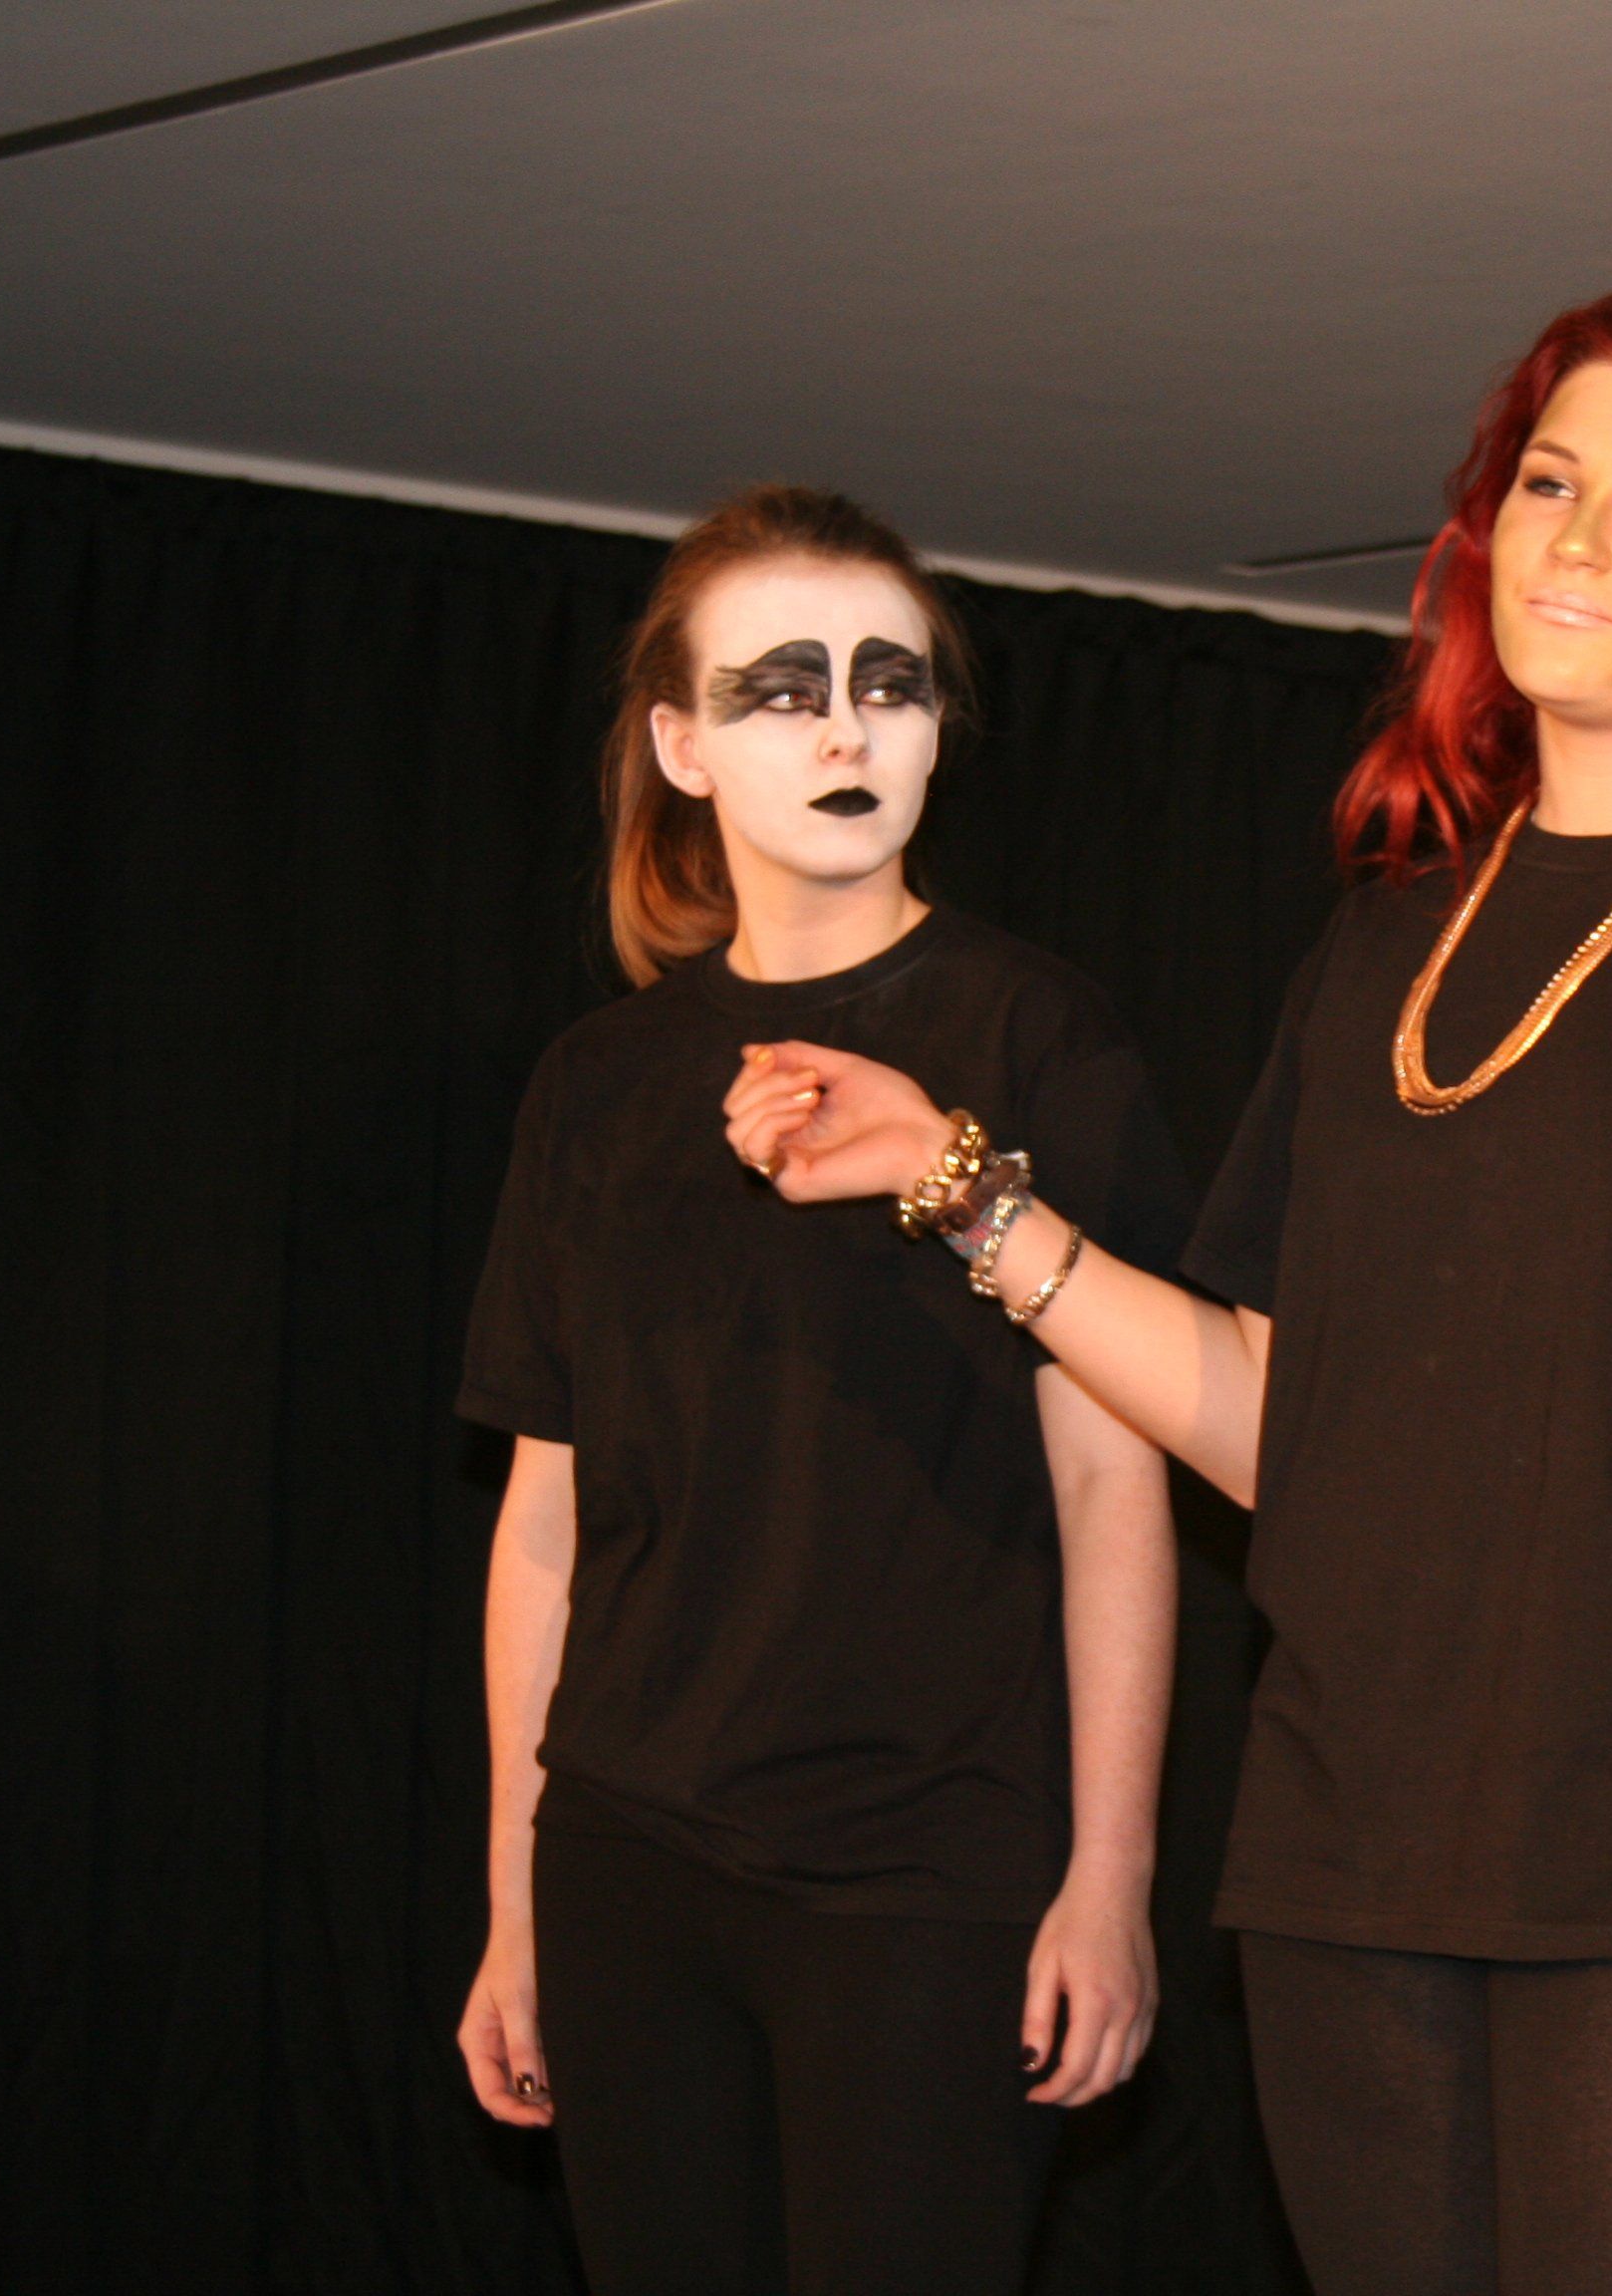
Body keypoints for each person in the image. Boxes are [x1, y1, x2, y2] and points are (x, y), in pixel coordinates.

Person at [726, 293, 1612, 2296]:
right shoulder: (1383, 952)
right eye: (1547, 483)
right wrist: (965, 1192)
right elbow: (1287, 1429)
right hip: (1347, 1851)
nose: (1575, 539)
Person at [452, 485, 1191, 2294]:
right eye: (784, 690)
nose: (848, 729)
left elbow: (1116, 1488)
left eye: (891, 683)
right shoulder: (598, 1083)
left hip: (929, 1864)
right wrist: (515, 1902)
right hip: (629, 1851)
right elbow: (546, 1521)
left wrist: (1109, 1879)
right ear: (682, 746)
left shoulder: (1038, 1036)